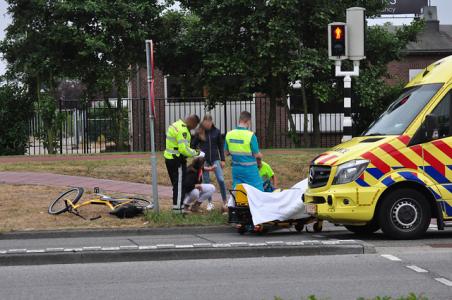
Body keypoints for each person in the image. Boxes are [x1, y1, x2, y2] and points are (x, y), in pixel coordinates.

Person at [164, 115, 202, 213]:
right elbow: (184, 150)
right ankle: (178, 210)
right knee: (180, 186)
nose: (193, 129)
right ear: (192, 122)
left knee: (176, 185)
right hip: (177, 160)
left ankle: (177, 207)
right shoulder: (183, 130)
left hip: (169, 158)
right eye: (194, 126)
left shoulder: (175, 125)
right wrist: (197, 153)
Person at [192, 114, 227, 212]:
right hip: (204, 160)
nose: (207, 124)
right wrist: (198, 155)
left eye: (209, 122)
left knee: (221, 180)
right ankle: (210, 203)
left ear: (212, 122)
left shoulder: (217, 132)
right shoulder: (200, 133)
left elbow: (221, 146)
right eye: (205, 122)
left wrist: (223, 159)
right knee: (207, 182)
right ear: (203, 122)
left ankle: (225, 202)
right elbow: (193, 145)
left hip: (215, 159)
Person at [225, 111, 264, 198]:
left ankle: (237, 208)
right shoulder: (251, 136)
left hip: (236, 169)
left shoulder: (229, 134)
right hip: (250, 169)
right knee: (258, 190)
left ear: (240, 120)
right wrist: (260, 162)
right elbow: (257, 155)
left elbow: (226, 153)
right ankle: (259, 209)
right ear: (248, 121)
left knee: (238, 190)